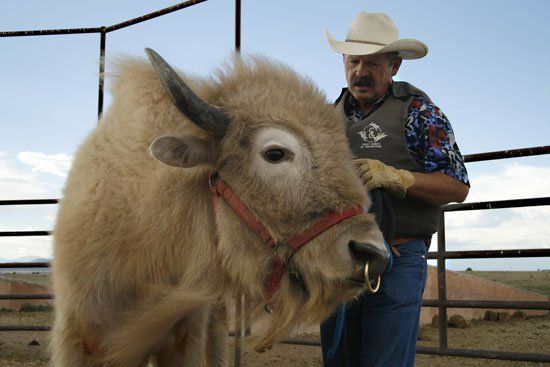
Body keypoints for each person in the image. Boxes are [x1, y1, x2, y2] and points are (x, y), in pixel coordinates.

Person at [320, 11, 470, 367]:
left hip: (398, 257)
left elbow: (456, 186)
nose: (360, 71)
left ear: (395, 65)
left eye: (372, 63)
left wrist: (397, 177)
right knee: (338, 360)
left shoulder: (420, 113)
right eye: (353, 60)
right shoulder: (325, 118)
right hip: (338, 261)